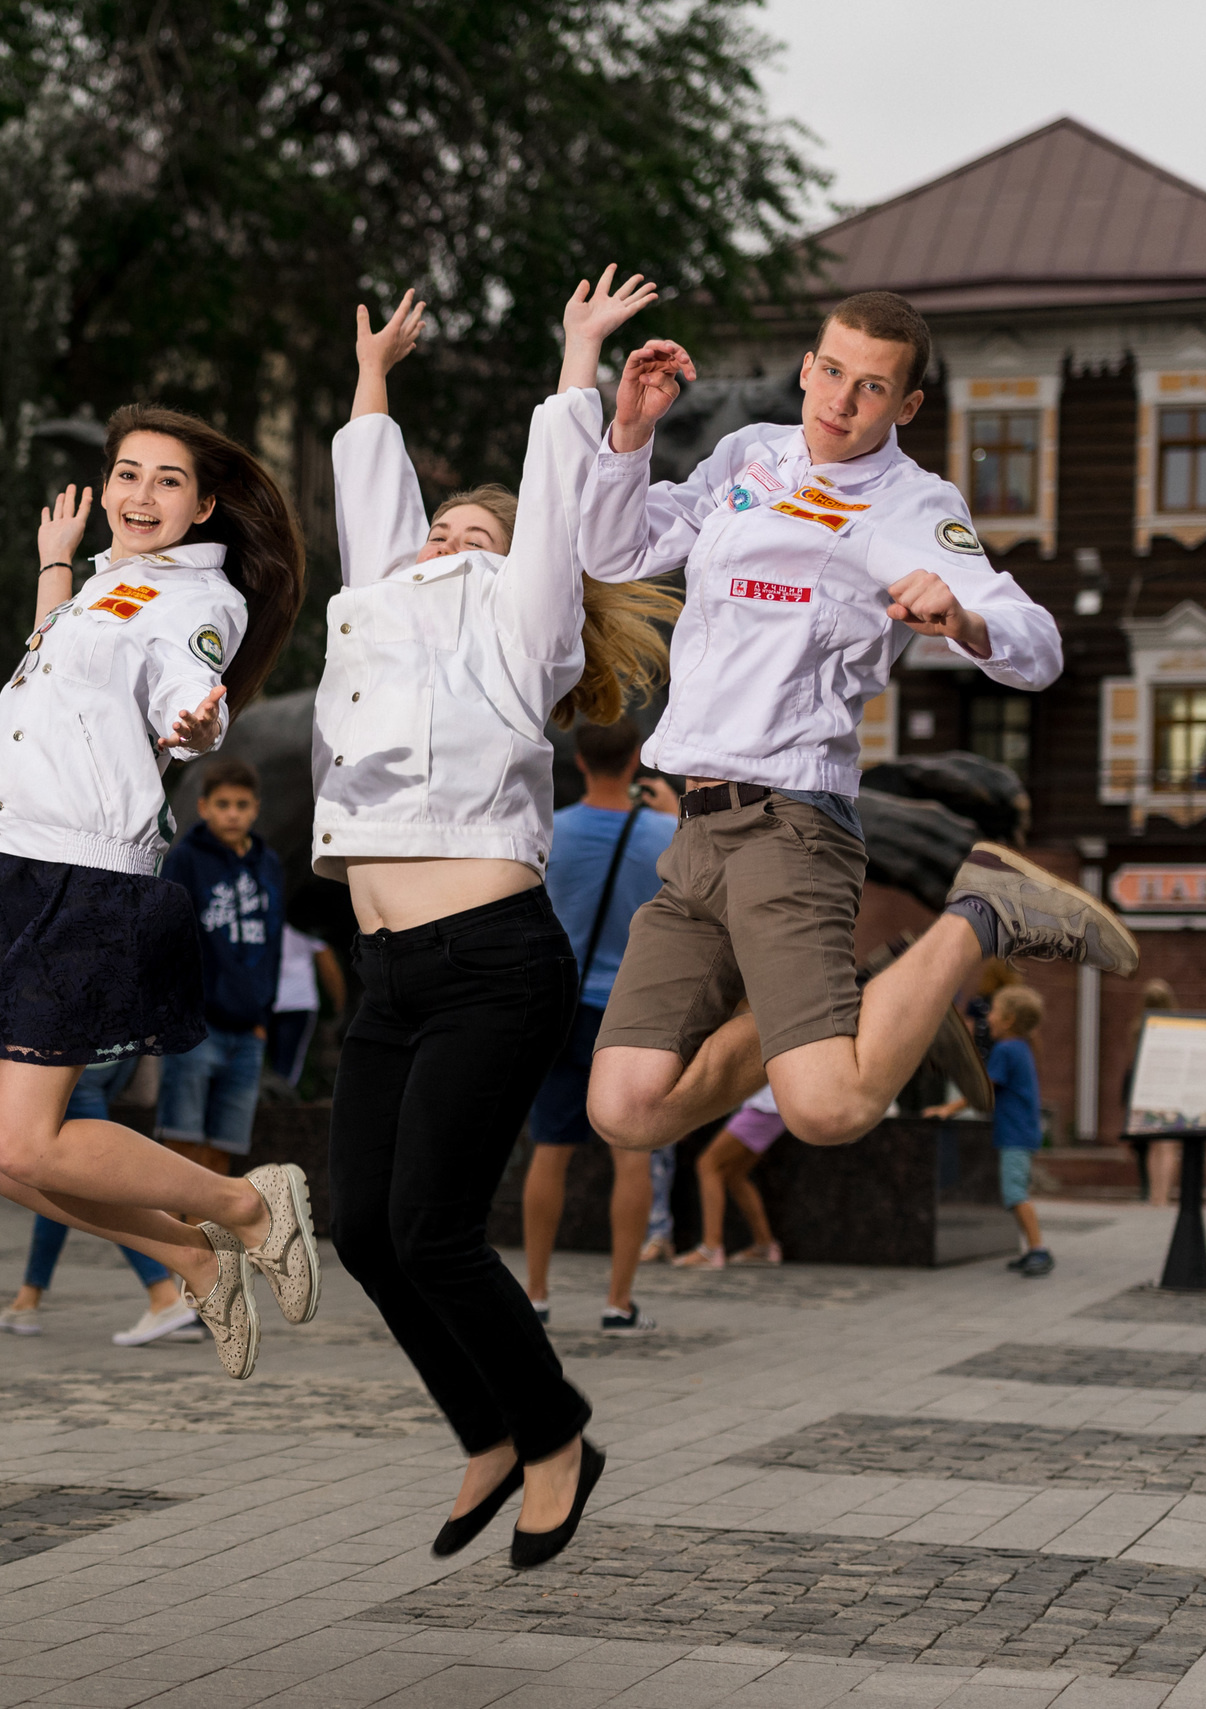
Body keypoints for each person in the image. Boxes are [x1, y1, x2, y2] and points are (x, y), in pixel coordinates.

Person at [577, 291, 1136, 1168]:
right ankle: (870, 993)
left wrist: (964, 617)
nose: (840, 401)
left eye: (871, 388)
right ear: (807, 367)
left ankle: (985, 909)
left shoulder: (914, 506)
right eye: (831, 373)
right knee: (625, 1107)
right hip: (696, 831)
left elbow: (1040, 648)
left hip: (791, 823)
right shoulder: (749, 456)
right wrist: (631, 437)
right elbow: (615, 555)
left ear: (906, 406)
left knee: (829, 1109)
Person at [314, 272, 677, 1569]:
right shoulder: (377, 618)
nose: (446, 540)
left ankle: (558, 1431)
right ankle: (485, 1429)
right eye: (438, 528)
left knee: (430, 1230)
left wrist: (576, 355)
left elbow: (546, 521)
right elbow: (370, 509)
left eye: (476, 530)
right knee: (361, 1227)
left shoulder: (523, 640)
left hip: (490, 964)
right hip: (393, 968)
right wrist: (374, 379)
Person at [0, 394, 314, 1392]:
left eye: (167, 479)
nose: (141, 494)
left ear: (203, 504)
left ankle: (247, 1204)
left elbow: (189, 688)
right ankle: (191, 1259)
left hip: (86, 874)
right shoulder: (105, 582)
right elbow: (62, 672)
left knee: (28, 1136)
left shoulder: (199, 599)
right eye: (129, 473)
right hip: (10, 864)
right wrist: (57, 561)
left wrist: (196, 721)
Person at [520, 717, 676, 1333]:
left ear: (578, 761)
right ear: (638, 758)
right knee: (631, 1157)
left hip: (561, 1007)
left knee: (549, 1151)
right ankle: (618, 1301)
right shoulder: (666, 834)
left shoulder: (551, 829)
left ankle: (534, 1294)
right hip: (633, 1014)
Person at [0, 1059, 205, 1347]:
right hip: (111, 1055)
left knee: (87, 1181)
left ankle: (165, 1293)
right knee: (60, 1182)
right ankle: (27, 1299)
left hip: (69, 1053)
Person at [156, 759, 283, 1170]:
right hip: (198, 1027)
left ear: (256, 808)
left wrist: (264, 1015)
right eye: (223, 804)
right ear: (204, 806)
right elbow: (167, 938)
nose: (233, 813)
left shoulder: (270, 866)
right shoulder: (186, 860)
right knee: (182, 1141)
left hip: (249, 1030)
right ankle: (171, 1235)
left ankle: (204, 1235)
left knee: (223, 1146)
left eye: (242, 804)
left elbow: (274, 941)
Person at [675, 1087, 785, 1268]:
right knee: (735, 1175)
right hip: (774, 1108)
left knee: (708, 1164)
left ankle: (710, 1249)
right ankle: (765, 1246)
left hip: (764, 1107)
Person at [989, 986, 1051, 1274]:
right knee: (1016, 1191)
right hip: (1022, 1132)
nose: (988, 1018)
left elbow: (986, 1088)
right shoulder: (1021, 1047)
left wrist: (948, 1108)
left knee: (1015, 1194)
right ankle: (1032, 1249)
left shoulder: (1005, 1049)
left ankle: (1039, 1249)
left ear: (1009, 1019)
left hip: (1014, 1135)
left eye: (994, 1012)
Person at [265, 924, 343, 1096]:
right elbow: (328, 967)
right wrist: (338, 1002)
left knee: (268, 1063)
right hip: (298, 1002)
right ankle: (281, 1109)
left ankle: (271, 1106)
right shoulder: (305, 924)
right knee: (289, 1065)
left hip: (267, 1001)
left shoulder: (260, 920)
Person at [1124, 978, 1180, 1205]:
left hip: (1147, 1087)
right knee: (1167, 1145)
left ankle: (1154, 1195)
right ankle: (1164, 1195)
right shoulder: (1176, 1026)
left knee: (1153, 1145)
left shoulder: (1139, 1027)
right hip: (1170, 1086)